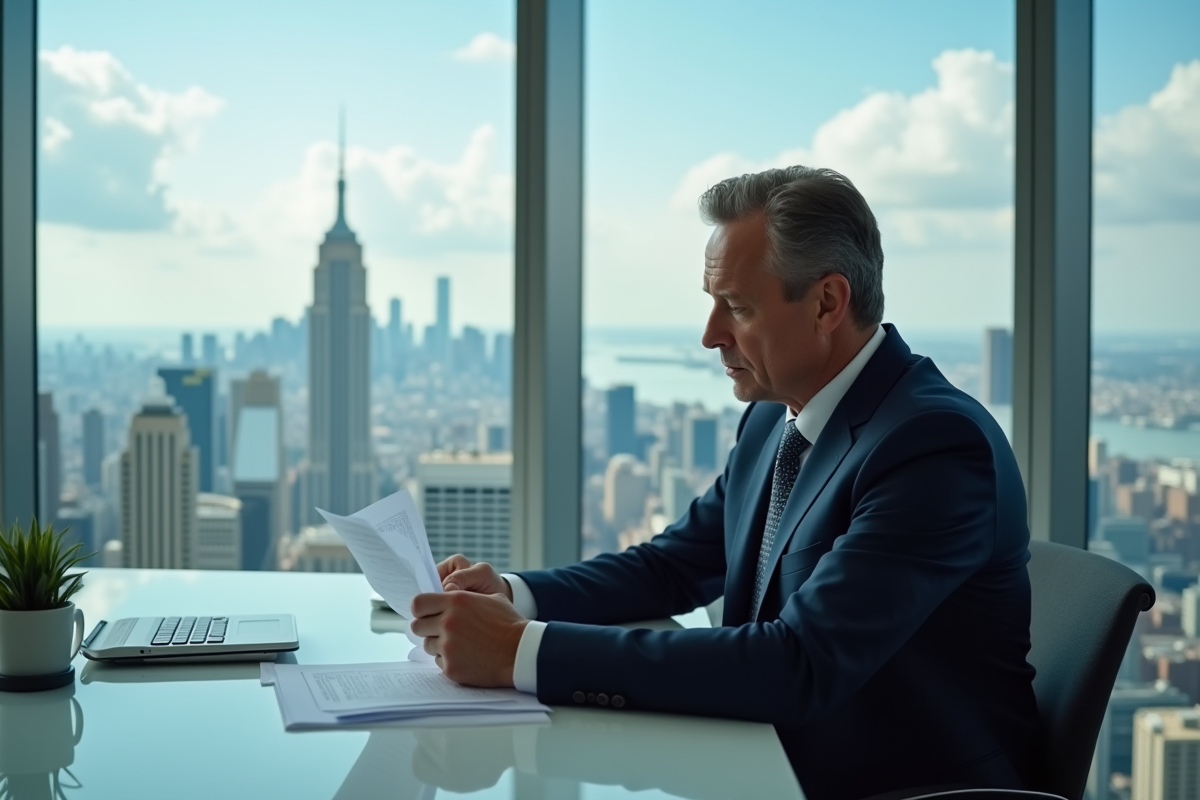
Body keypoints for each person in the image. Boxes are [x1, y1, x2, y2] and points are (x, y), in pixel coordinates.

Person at [410, 166, 1042, 800]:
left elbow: (798, 664)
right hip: (760, 764)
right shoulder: (774, 416)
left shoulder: (932, 447)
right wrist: (515, 597)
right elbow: (673, 566)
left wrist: (521, 652)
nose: (710, 334)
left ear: (827, 302)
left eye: (736, 307)